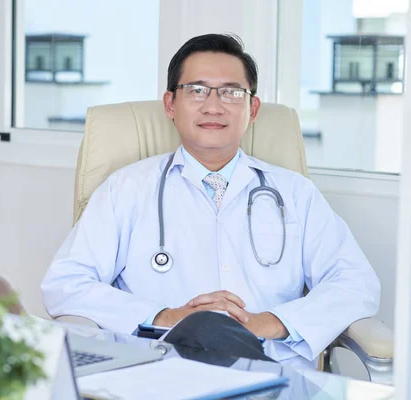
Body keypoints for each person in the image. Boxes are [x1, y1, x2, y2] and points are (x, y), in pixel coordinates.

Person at [41, 33, 380, 369]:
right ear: (171, 104)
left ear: (253, 108)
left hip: (273, 374)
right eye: (197, 90)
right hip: (156, 372)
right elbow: (66, 283)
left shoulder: (296, 193)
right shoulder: (125, 189)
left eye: (232, 92)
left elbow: (355, 283)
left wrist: (271, 321)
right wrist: (164, 316)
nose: (214, 106)